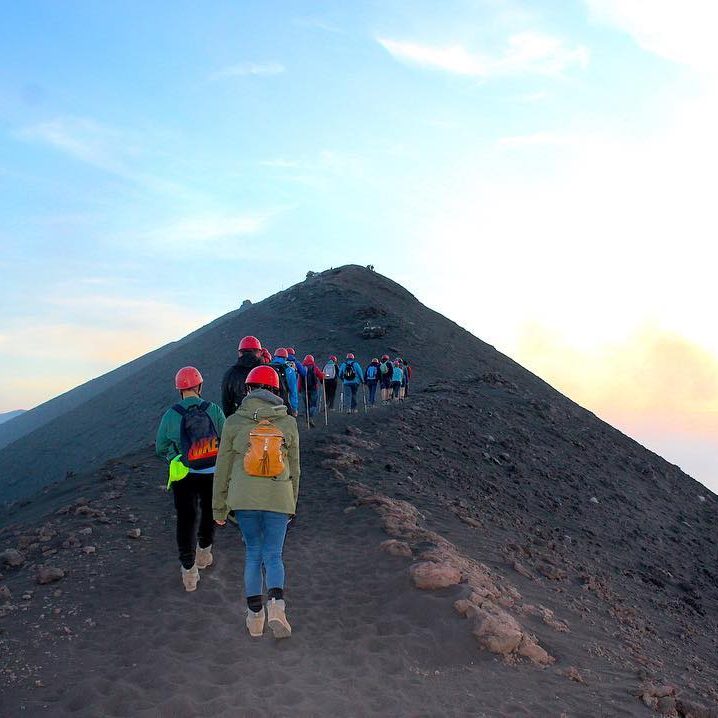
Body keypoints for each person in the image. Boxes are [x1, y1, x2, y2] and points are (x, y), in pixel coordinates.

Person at [213, 365, 300, 639]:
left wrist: (219, 507)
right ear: (276, 390)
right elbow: (295, 468)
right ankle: (277, 607)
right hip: (279, 497)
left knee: (253, 553)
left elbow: (223, 467)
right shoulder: (288, 423)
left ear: (248, 389)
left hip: (244, 499)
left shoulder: (234, 422)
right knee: (273, 555)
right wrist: (291, 504)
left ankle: (254, 617)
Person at [156, 366, 225, 592]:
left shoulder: (170, 414)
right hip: (210, 471)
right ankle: (204, 552)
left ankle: (189, 572)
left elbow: (160, 447)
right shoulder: (213, 409)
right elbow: (225, 438)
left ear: (180, 389)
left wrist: (175, 456)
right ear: (199, 386)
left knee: (185, 518)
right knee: (209, 511)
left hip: (184, 474)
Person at [221, 335, 264, 417]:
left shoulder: (230, 374)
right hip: (268, 423)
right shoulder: (269, 372)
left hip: (240, 423)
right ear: (260, 352)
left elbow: (226, 405)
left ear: (240, 353)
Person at [270, 348, 299, 417]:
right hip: (282, 404)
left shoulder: (268, 367)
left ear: (275, 356)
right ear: (286, 358)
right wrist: (294, 409)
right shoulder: (290, 371)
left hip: (268, 403)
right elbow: (293, 391)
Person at [298, 354, 325, 427]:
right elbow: (320, 376)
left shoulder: (302, 368)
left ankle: (307, 416)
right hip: (313, 389)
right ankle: (310, 416)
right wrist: (322, 379)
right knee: (313, 404)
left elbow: (300, 380)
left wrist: (299, 389)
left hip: (304, 389)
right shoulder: (315, 368)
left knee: (306, 404)